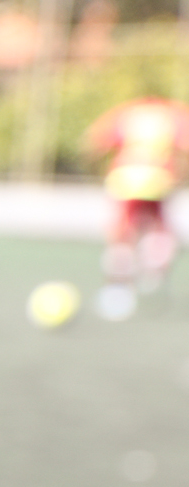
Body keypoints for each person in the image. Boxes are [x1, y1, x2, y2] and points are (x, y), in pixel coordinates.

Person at [83, 96, 189, 320]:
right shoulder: (174, 114)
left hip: (127, 176)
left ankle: (118, 285)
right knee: (158, 227)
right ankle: (154, 275)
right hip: (158, 176)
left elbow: (95, 139)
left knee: (122, 232)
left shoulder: (127, 111)